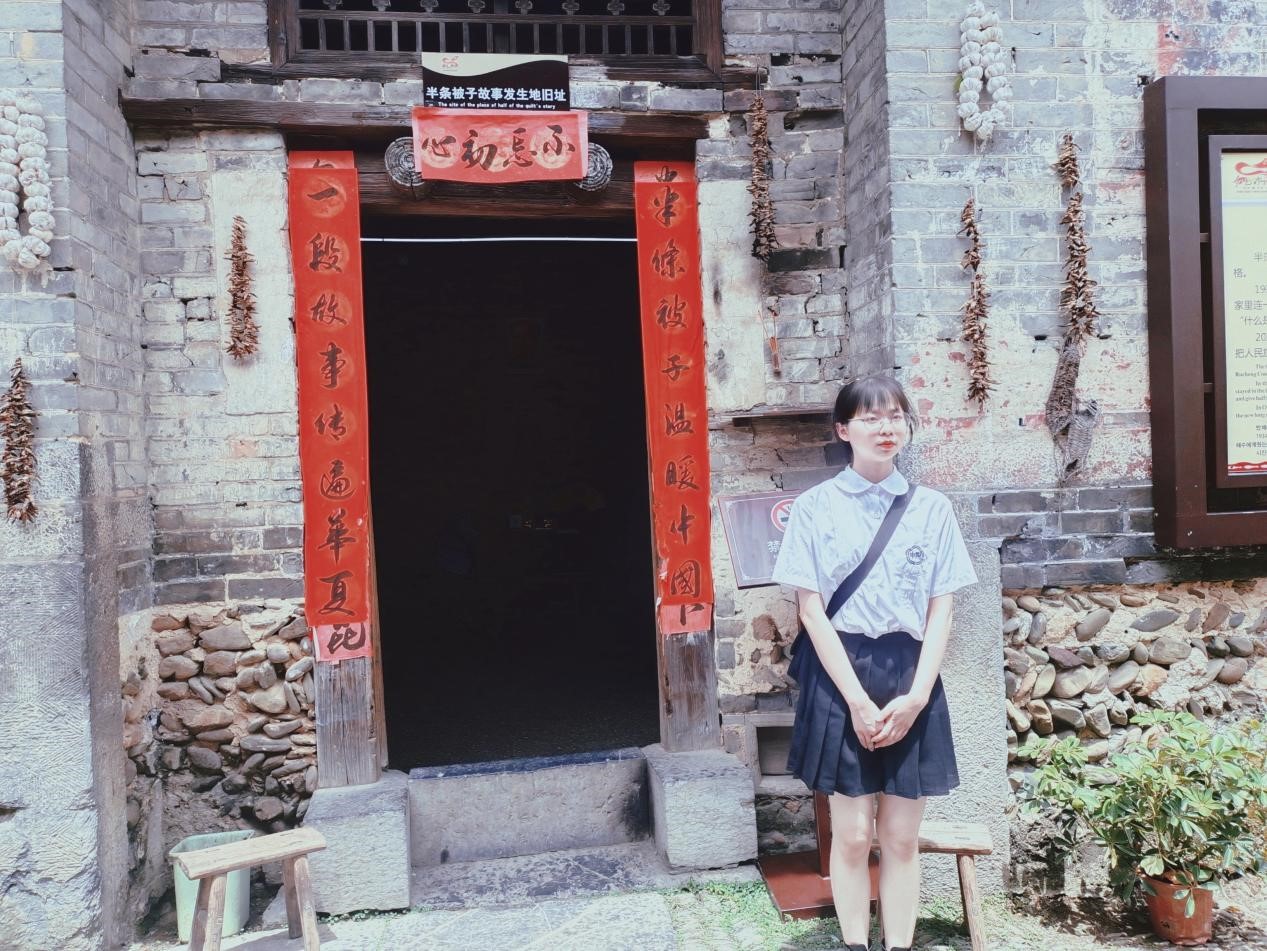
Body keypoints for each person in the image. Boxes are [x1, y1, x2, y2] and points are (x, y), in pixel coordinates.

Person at [772, 374, 977, 951]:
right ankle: (855, 944)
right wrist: (858, 702)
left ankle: (900, 945)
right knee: (854, 833)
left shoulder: (932, 509)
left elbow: (942, 610)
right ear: (844, 430)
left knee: (902, 837)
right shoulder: (814, 507)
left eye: (895, 416)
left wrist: (917, 696)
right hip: (841, 671)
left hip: (910, 671)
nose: (886, 427)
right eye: (870, 417)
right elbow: (810, 610)